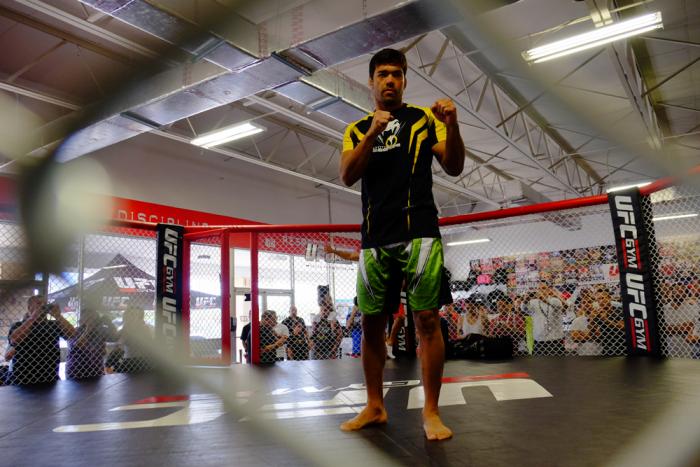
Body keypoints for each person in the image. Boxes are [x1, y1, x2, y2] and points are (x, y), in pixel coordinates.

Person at [338, 48, 465, 440]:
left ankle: (430, 412)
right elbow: (346, 175)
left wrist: (454, 124)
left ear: (405, 80)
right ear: (372, 81)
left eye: (396, 74)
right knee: (372, 323)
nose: (389, 80)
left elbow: (455, 165)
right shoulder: (357, 129)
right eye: (382, 74)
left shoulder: (425, 120)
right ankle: (375, 406)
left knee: (426, 320)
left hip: (420, 231)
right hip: (375, 238)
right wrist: (374, 133)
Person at [6, 296, 76, 385]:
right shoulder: (19, 325)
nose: (43, 306)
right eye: (39, 303)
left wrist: (58, 316)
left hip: (49, 375)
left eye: (44, 304)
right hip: (23, 376)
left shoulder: (53, 325)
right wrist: (33, 317)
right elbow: (14, 340)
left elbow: (72, 334)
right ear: (29, 308)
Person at [66, 308, 118, 379]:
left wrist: (109, 323)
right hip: (76, 369)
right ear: (81, 320)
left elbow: (114, 338)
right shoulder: (75, 331)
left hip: (96, 369)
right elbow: (76, 347)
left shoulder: (100, 330)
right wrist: (88, 330)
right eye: (87, 318)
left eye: (93, 318)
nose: (91, 321)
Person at [107, 306, 153, 373]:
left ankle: (113, 368)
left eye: (133, 315)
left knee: (120, 362)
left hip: (141, 359)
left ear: (140, 318)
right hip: (127, 359)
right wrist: (110, 325)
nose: (130, 318)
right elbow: (114, 339)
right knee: (118, 362)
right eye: (128, 315)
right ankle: (111, 368)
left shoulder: (144, 328)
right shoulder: (125, 327)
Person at [527, 282, 566, 355]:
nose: (541, 290)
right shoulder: (533, 302)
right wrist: (525, 299)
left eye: (544, 288)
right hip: (539, 341)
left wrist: (544, 299)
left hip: (555, 341)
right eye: (539, 289)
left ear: (549, 290)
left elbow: (559, 307)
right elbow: (524, 308)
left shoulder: (555, 301)